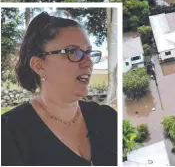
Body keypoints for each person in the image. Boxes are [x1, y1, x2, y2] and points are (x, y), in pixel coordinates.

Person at [1, 12, 117, 166]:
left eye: (88, 53)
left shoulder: (107, 118)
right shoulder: (9, 132)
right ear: (39, 65)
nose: (88, 63)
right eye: (72, 52)